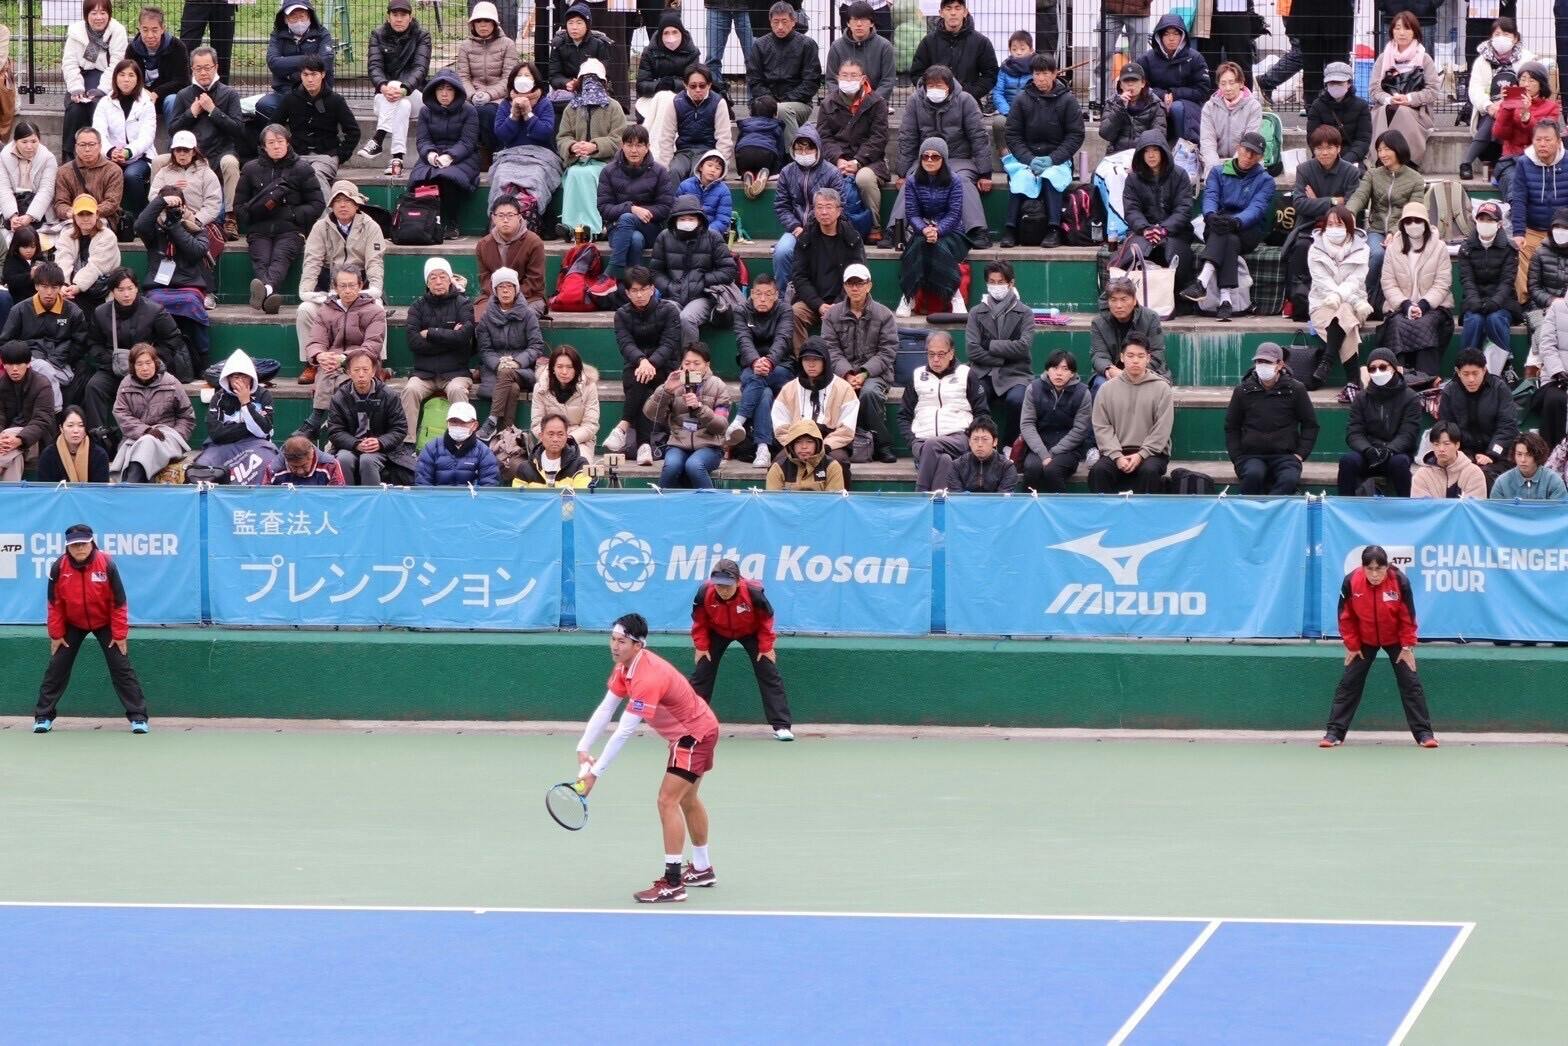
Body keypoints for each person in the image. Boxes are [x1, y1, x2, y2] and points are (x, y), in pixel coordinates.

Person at [574, 611, 723, 903]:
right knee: (687, 799)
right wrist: (583, 748)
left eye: (622, 642)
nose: (615, 646)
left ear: (638, 645)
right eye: (613, 639)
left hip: (694, 735)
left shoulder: (648, 677)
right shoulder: (624, 668)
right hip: (696, 731)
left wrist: (595, 774)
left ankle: (673, 883)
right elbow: (606, 709)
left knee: (667, 801)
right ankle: (702, 868)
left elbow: (624, 731)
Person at [34, 523, 149, 734]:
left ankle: (138, 718)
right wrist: (56, 634)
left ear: (92, 543)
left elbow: (119, 602)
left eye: (83, 544)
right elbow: (54, 603)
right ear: (67, 547)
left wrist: (119, 634)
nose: (79, 548)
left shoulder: (106, 564)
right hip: (72, 624)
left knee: (121, 668)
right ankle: (43, 717)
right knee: (56, 668)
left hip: (105, 623)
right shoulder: (58, 567)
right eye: (74, 545)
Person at [1321, 545, 1436, 748]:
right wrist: (1352, 645)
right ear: (1363, 567)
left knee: (1411, 683)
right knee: (1348, 684)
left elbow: (1408, 616)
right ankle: (1334, 733)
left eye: (1379, 569)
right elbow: (1345, 616)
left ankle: (1424, 734)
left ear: (1387, 566)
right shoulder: (1350, 581)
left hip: (1396, 640)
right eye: (1370, 569)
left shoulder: (1400, 581)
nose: (1374, 574)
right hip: (1364, 641)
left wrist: (1407, 646)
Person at [688, 558, 794, 739]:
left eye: (727, 586)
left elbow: (766, 620)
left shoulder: (753, 593)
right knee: (702, 672)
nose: (723, 590)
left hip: (750, 631)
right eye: (719, 585)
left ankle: (781, 726)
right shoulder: (705, 592)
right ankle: (690, 723)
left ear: (738, 582)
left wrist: (766, 646)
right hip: (717, 631)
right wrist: (701, 645)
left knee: (768, 671)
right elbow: (700, 620)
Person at [892, 65, 991, 248]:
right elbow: (907, 136)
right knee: (910, 182)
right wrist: (902, 172)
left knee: (962, 181)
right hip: (926, 159)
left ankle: (977, 230)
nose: (934, 89)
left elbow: (978, 136)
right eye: (931, 85)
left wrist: (985, 173)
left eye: (939, 85)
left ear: (949, 86)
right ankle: (894, 229)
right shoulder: (915, 101)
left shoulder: (966, 100)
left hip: (959, 158)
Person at [296, 181, 386, 375]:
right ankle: (311, 363)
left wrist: (374, 289)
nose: (343, 205)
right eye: (338, 201)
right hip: (330, 286)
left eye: (348, 200)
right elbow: (312, 261)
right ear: (331, 205)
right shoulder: (320, 227)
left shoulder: (371, 226)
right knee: (305, 310)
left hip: (360, 285)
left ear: (357, 204)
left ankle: (377, 364)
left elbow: (375, 262)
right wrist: (306, 291)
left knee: (378, 307)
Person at [1184, 130, 1273, 321]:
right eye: (1246, 150)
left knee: (1228, 235)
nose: (1248, 157)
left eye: (1255, 154)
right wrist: (1210, 215)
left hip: (1247, 229)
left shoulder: (1266, 180)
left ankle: (1202, 282)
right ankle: (1226, 300)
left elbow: (1257, 208)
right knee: (1228, 239)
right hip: (1218, 225)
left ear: (1260, 157)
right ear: (1238, 148)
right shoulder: (1217, 171)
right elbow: (1211, 196)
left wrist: (1236, 221)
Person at [86, 270, 190, 434]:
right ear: (112, 291)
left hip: (147, 369)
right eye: (120, 290)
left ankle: (156, 433)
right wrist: (110, 361)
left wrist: (152, 359)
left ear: (136, 288)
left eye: (130, 288)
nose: (126, 294)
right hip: (114, 368)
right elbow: (93, 343)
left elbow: (173, 338)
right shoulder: (101, 313)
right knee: (94, 386)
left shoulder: (155, 310)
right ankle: (99, 437)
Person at [235, 123, 323, 315]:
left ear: (288, 143)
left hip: (291, 229)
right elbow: (239, 206)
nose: (276, 146)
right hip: (259, 229)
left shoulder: (302, 169)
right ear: (263, 146)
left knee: (280, 257)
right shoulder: (250, 169)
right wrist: (255, 213)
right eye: (271, 142)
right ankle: (269, 295)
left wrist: (293, 214)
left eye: (280, 141)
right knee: (261, 259)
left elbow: (317, 204)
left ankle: (265, 291)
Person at [296, 263, 386, 440]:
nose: (348, 290)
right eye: (343, 286)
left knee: (342, 382)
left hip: (362, 360)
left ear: (360, 285)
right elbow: (315, 341)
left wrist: (345, 358)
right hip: (332, 361)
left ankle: (317, 420)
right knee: (327, 369)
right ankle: (324, 423)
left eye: (352, 285)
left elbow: (373, 345)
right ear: (335, 287)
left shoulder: (375, 310)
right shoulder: (325, 310)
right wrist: (319, 355)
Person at [1002, 53, 1083, 250]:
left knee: (1051, 176)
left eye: (1046, 73)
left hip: (1057, 159)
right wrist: (1028, 159)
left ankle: (1053, 229)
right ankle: (1010, 228)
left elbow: (1075, 135)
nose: (1041, 78)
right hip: (1026, 158)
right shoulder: (1021, 100)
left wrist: (1053, 159)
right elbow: (1012, 134)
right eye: (1037, 74)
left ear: (1055, 74)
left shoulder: (1068, 100)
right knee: (1021, 178)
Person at [604, 266, 681, 465]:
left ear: (652, 289)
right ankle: (644, 446)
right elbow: (626, 344)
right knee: (641, 381)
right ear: (627, 293)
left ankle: (624, 428)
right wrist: (642, 361)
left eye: (643, 289)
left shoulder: (669, 310)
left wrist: (651, 363)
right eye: (634, 291)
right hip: (635, 366)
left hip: (665, 367)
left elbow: (669, 344)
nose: (639, 295)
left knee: (642, 380)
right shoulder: (621, 315)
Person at [1285, 125, 1362, 322]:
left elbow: (1350, 206)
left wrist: (1316, 201)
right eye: (1319, 148)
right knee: (1301, 247)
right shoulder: (1304, 169)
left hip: (1340, 229)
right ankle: (1298, 301)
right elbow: (1300, 204)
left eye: (1329, 147)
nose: (1324, 153)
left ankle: (1344, 302)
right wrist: (1335, 201)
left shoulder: (1350, 172)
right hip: (1309, 226)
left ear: (1338, 148)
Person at [820, 262, 894, 464]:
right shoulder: (832, 315)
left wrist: (864, 373)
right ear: (844, 286)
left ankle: (882, 444)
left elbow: (888, 351)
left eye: (859, 283)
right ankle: (836, 443)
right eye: (850, 283)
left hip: (876, 374)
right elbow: (830, 349)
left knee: (869, 393)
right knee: (834, 391)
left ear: (869, 285)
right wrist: (847, 373)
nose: (855, 288)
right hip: (841, 373)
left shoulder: (884, 314)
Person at [1223, 342, 1319, 496]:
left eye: (1267, 362)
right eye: (1258, 361)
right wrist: (1237, 456)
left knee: (1288, 479)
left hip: (1286, 456)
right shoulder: (1242, 390)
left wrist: (1300, 454)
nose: (1262, 365)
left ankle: (1274, 509)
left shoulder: (1296, 389)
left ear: (1280, 364)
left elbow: (1310, 425)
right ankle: (1250, 509)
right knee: (1253, 475)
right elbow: (1232, 426)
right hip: (1250, 456)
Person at [899, 330, 989, 491]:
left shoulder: (966, 374)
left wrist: (971, 438)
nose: (935, 359)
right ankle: (939, 501)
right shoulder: (917, 375)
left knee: (932, 444)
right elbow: (903, 415)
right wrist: (912, 441)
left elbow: (982, 414)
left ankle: (920, 493)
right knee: (944, 459)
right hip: (922, 440)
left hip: (958, 438)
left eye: (941, 354)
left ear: (951, 353)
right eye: (931, 354)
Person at [167, 47, 243, 239]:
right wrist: (191, 113)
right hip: (190, 154)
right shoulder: (183, 95)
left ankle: (231, 217)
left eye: (207, 67)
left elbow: (238, 129)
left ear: (216, 67)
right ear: (192, 69)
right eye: (198, 68)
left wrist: (213, 110)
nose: (203, 72)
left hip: (221, 151)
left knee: (230, 163)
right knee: (159, 161)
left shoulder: (229, 94)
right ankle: (158, 213)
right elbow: (173, 130)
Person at [400, 257, 475, 449]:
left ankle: (463, 442)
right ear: (427, 282)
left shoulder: (463, 304)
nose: (438, 281)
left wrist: (431, 333)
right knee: (410, 390)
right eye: (433, 277)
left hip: (455, 373)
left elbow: (464, 337)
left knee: (457, 390)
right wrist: (451, 338)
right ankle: (407, 444)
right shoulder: (417, 307)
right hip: (424, 373)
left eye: (443, 276)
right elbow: (414, 342)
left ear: (450, 279)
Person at [1347, 130, 1425, 312]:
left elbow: (1413, 211)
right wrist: (1349, 212)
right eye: (1379, 150)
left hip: (1405, 230)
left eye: (1387, 149)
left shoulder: (1415, 179)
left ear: (1399, 149)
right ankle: (1365, 298)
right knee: (1377, 254)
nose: (1382, 154)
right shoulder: (1373, 175)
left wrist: (1394, 231)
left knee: (1396, 254)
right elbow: (1360, 196)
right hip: (1376, 229)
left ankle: (1392, 303)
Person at [814, 57, 888, 246]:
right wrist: (838, 158)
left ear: (863, 78)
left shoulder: (877, 102)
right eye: (844, 75)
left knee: (864, 179)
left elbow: (879, 137)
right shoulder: (828, 103)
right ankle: (825, 226)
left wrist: (858, 161)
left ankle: (875, 227)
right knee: (824, 175)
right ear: (837, 77)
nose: (848, 79)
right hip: (836, 159)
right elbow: (824, 137)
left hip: (870, 160)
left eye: (853, 76)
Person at [650, 194, 739, 351]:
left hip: (704, 295)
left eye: (691, 218)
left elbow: (729, 270)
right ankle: (668, 362)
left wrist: (704, 280)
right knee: (666, 316)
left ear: (699, 219)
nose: (687, 222)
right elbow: (655, 271)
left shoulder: (712, 237)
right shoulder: (664, 237)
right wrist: (669, 286)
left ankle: (690, 361)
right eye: (682, 219)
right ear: (675, 220)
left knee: (686, 318)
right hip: (673, 294)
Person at [771, 127, 854, 292]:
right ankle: (783, 296)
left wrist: (812, 229)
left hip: (824, 229)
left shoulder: (832, 172)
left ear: (817, 148)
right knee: (782, 252)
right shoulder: (787, 172)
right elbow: (781, 205)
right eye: (799, 149)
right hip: (795, 230)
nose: (803, 153)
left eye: (808, 148)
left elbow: (840, 205)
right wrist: (795, 227)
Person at [1, 261, 89, 414]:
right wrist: (26, 360)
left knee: (52, 370)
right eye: (44, 286)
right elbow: (6, 342)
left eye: (54, 287)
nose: (49, 292)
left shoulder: (74, 312)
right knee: (43, 367)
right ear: (36, 286)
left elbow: (80, 343)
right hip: (29, 363)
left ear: (60, 287)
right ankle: (55, 412)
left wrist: (59, 358)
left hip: (62, 364)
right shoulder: (19, 310)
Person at [896, 137, 970, 317]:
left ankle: (954, 295)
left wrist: (938, 230)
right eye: (925, 156)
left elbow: (954, 214)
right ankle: (909, 295)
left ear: (943, 159)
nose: (929, 160)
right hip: (922, 229)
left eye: (935, 157)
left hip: (952, 232)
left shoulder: (955, 180)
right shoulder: (912, 181)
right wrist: (924, 229)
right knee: (921, 244)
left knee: (936, 245)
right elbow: (912, 213)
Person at [1088, 335, 1171, 494]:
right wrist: (1117, 456)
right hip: (1116, 451)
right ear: (1122, 357)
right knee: (1098, 471)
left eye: (1140, 356)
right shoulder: (1107, 389)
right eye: (1130, 355)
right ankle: (1106, 511)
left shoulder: (1162, 388)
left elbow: (1162, 429)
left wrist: (1141, 455)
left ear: (1148, 358)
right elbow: (1102, 426)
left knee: (1149, 471)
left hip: (1152, 453)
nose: (1135, 361)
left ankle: (1144, 511)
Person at [1380, 200, 1453, 379]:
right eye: (1408, 221)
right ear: (1402, 225)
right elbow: (1388, 283)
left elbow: (1442, 282)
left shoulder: (1439, 247)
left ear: (1426, 223)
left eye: (1417, 220)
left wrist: (1423, 305)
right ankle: (1397, 380)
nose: (1413, 225)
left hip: (1434, 307)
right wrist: (1405, 305)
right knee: (1397, 325)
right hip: (1400, 307)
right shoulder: (1392, 249)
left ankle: (1426, 381)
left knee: (1425, 325)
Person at [965, 261, 1034, 447]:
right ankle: (982, 444)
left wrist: (990, 345)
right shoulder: (976, 312)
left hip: (1016, 373)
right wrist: (1003, 358)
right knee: (977, 395)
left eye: (1000, 282)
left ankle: (1010, 446)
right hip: (983, 372)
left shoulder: (1025, 313)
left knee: (1017, 400)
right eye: (992, 282)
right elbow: (972, 349)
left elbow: (1023, 347)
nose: (996, 286)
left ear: (1011, 283)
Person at [555, 59, 626, 240]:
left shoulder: (613, 107)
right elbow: (562, 137)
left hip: (606, 163)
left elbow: (619, 139)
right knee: (573, 174)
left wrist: (595, 146)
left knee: (587, 175)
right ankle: (571, 226)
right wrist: (572, 146)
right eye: (586, 78)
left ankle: (593, 227)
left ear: (603, 82)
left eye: (595, 79)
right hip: (577, 162)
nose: (591, 83)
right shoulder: (571, 108)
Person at [644, 343, 731, 489]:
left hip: (709, 445)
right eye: (687, 363)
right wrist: (665, 391)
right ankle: (661, 501)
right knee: (671, 467)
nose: (691, 368)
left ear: (707, 365)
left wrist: (699, 408)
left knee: (694, 465)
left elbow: (721, 426)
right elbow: (651, 414)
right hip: (678, 443)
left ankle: (711, 502)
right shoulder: (675, 384)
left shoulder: (718, 386)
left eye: (697, 363)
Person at [1337, 348, 1422, 497]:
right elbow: (1354, 432)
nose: (1377, 372)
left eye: (1383, 367)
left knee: (1400, 463)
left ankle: (1408, 506)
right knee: (1348, 461)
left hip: (1395, 454)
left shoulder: (1410, 398)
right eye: (1372, 369)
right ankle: (1344, 506)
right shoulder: (1361, 398)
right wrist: (1367, 449)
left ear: (1394, 368)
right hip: (1368, 454)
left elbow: (1408, 433)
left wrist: (1390, 450)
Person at [789, 188, 866, 351]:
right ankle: (804, 360)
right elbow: (799, 277)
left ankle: (846, 361)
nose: (824, 212)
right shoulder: (805, 238)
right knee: (794, 312)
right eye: (819, 207)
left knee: (859, 311)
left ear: (839, 211)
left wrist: (837, 305)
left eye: (829, 207)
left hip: (845, 301)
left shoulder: (852, 238)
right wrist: (819, 305)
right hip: (813, 302)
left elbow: (857, 277)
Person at [474, 266, 546, 441]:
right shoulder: (486, 317)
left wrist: (517, 362)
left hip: (522, 369)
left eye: (509, 286)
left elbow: (536, 346)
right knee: (512, 388)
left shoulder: (528, 315)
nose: (505, 291)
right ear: (495, 291)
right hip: (494, 369)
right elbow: (484, 350)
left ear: (516, 289)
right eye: (501, 287)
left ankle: (491, 421)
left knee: (507, 373)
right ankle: (506, 437)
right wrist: (498, 363)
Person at [361, 0, 432, 178]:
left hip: (414, 95)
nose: (399, 19)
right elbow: (374, 67)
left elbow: (420, 69)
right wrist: (383, 86)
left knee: (400, 93)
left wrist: (404, 88)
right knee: (402, 104)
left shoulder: (422, 36)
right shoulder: (377, 35)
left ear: (410, 17)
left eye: (403, 15)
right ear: (388, 17)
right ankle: (397, 159)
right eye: (395, 15)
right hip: (384, 97)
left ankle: (378, 138)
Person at [1307, 205, 1373, 392]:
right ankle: (1353, 380)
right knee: (1346, 321)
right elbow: (1322, 282)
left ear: (1349, 226)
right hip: (1322, 303)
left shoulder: (1363, 249)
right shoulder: (1315, 249)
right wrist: (1347, 299)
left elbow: (1356, 280)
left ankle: (1326, 363)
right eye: (1330, 224)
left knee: (1344, 310)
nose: (1334, 228)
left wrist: (1346, 299)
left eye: (1339, 224)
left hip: (1356, 305)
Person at [726, 275, 790, 464]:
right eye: (759, 294)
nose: (763, 299)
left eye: (768, 294)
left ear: (776, 295)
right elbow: (743, 340)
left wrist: (769, 362)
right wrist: (755, 361)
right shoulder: (741, 311)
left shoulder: (785, 310)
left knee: (756, 379)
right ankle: (763, 448)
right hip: (751, 366)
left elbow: (783, 339)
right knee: (764, 393)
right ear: (752, 294)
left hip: (781, 367)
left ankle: (739, 421)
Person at [1460, 16, 1533, 182]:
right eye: (1497, 34)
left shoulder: (1527, 59)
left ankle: (1466, 162)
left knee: (1501, 114)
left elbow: (1530, 86)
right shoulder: (1481, 61)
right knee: (1493, 117)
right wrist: (1488, 106)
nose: (1501, 38)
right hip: (1489, 110)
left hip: (1519, 107)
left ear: (1516, 38)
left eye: (1506, 34)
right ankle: (1468, 163)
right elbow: (1475, 89)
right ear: (1491, 37)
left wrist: (1506, 103)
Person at [598, 124, 675, 281]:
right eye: (629, 145)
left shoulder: (660, 171)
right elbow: (604, 208)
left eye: (639, 145)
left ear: (647, 147)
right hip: (617, 229)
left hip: (651, 228)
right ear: (622, 145)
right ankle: (636, 285)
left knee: (628, 218)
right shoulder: (608, 171)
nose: (634, 150)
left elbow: (666, 207)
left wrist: (641, 212)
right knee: (635, 239)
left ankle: (612, 273)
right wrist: (631, 208)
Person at [326, 348, 413, 485]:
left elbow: (399, 428)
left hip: (382, 449)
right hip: (350, 446)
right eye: (356, 370)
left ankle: (371, 497)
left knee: (367, 460)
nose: (361, 375)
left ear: (373, 371)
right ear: (348, 372)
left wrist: (380, 442)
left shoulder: (389, 395)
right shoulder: (339, 397)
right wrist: (356, 444)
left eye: (365, 370)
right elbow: (335, 431)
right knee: (343, 459)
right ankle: (346, 495)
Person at [109, 341, 194, 483]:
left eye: (148, 363)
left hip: (166, 437)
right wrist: (145, 430)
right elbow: (121, 414)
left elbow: (187, 416)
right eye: (139, 364)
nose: (145, 368)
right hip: (135, 437)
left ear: (156, 363)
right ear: (133, 366)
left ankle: (130, 486)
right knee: (144, 443)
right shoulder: (125, 385)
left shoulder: (171, 382)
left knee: (147, 443)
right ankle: (133, 486)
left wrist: (177, 435)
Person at [770, 339, 857, 475]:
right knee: (778, 465)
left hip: (831, 444)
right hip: (796, 441)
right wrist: (797, 446)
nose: (811, 364)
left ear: (825, 361)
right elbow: (781, 427)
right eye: (806, 360)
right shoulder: (789, 389)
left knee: (838, 463)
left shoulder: (844, 389)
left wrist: (823, 447)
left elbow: (846, 429)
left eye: (816, 359)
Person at [1437, 348, 1519, 492]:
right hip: (1463, 455)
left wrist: (1491, 454)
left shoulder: (1499, 388)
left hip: (1498, 455)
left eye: (1475, 373)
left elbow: (1507, 426)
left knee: (1482, 476)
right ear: (1458, 372)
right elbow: (1447, 429)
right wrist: (1462, 456)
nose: (1471, 379)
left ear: (1484, 370)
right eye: (1466, 374)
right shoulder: (1450, 392)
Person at [277, 55, 358, 203]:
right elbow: (273, 127)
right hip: (297, 155)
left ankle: (327, 215)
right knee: (290, 177)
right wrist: (284, 149)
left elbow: (353, 131)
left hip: (327, 156)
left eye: (314, 74)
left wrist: (339, 155)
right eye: (305, 75)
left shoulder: (336, 100)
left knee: (315, 174)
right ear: (301, 76)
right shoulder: (290, 99)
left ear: (323, 74)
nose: (310, 79)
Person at [1120, 129, 1194, 290]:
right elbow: (1131, 210)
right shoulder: (1133, 179)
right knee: (1136, 252)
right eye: (1146, 151)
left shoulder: (1180, 175)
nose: (1151, 155)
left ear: (1163, 152)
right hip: (1142, 232)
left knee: (1173, 253)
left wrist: (1164, 229)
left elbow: (1184, 208)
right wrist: (1145, 229)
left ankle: (1178, 295)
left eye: (1155, 150)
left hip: (1176, 233)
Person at [489, 60, 563, 216]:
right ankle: (499, 217)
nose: (523, 79)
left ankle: (530, 215)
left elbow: (544, 133)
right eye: (519, 75)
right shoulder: (505, 104)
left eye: (527, 75)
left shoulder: (544, 104)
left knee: (535, 177)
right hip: (511, 155)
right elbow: (502, 134)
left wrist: (528, 114)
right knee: (502, 177)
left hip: (540, 156)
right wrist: (514, 115)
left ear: (535, 80)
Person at [409, 69, 481, 229]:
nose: (444, 93)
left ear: (456, 91)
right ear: (433, 91)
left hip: (464, 156)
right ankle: (427, 224)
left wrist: (450, 157)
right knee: (422, 178)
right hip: (432, 155)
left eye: (449, 89)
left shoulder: (469, 110)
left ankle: (452, 224)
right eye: (440, 89)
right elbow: (423, 140)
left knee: (448, 177)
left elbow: (468, 142)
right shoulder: (425, 111)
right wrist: (430, 154)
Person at [194, 349, 279, 483]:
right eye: (235, 377)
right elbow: (216, 434)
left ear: (251, 377)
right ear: (228, 378)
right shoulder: (218, 397)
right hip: (222, 445)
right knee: (203, 466)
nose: (240, 380)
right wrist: (248, 428)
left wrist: (246, 403)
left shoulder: (264, 395)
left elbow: (263, 432)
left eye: (244, 376)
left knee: (265, 460)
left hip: (256, 445)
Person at [1367, 12, 1438, 170]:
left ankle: (1407, 162)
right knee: (1386, 109)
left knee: (1401, 111)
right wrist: (1388, 99)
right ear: (1392, 31)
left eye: (1407, 28)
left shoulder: (1424, 58)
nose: (1402, 32)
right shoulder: (1383, 58)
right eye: (1397, 28)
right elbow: (1374, 89)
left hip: (1417, 111)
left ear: (1415, 32)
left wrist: (1409, 99)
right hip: (1386, 107)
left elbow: (1432, 90)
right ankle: (1380, 161)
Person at [746, 2, 820, 147]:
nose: (780, 26)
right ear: (770, 22)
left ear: (793, 21)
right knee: (762, 111)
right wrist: (770, 101)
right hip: (766, 102)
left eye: (784, 22)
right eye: (776, 22)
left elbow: (811, 82)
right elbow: (754, 80)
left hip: (799, 103)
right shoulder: (760, 45)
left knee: (782, 110)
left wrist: (783, 101)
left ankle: (793, 153)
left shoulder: (807, 44)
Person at [1511, 119, 1568, 304]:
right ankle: (1528, 304)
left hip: (1564, 230)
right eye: (1538, 140)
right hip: (1533, 229)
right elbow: (1519, 199)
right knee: (1517, 252)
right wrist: (1518, 233)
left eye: (1548, 140)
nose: (1542, 144)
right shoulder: (1523, 163)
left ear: (1558, 141)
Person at [62, 0, 129, 157]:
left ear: (109, 14)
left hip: (106, 79)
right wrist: (76, 88)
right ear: (86, 15)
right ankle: (70, 155)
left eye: (103, 13)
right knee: (75, 108)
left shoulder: (117, 31)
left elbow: (117, 65)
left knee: (97, 105)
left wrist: (102, 90)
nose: (99, 17)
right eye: (94, 13)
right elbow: (69, 63)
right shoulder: (76, 32)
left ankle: (102, 154)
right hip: (80, 77)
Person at [91, 59, 157, 220]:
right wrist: (110, 151)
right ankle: (108, 218)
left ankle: (139, 218)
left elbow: (147, 135)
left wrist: (128, 152)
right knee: (108, 173)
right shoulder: (105, 103)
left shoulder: (146, 104)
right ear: (115, 78)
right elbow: (98, 132)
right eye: (122, 75)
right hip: (111, 155)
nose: (126, 79)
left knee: (131, 176)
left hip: (140, 157)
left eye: (131, 75)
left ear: (138, 79)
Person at [1019, 349, 1091, 493]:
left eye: (1065, 369)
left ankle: (1061, 506)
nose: (1059, 373)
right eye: (1055, 368)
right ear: (1047, 370)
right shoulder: (1033, 389)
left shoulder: (1083, 393)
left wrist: (1053, 452)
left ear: (1072, 373)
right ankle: (1028, 506)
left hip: (1069, 450)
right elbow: (1027, 424)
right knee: (1032, 469)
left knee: (1052, 470)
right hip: (1039, 446)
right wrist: (1043, 454)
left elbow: (1080, 430)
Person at [1459, 201, 1522, 359]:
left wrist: (1495, 302)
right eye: (1481, 219)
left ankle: (1503, 365)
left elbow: (1507, 281)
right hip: (1474, 300)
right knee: (1474, 320)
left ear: (1499, 224)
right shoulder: (1466, 248)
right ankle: (1465, 365)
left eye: (1490, 220)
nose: (1485, 223)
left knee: (1495, 319)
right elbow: (1467, 279)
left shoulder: (1509, 248)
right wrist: (1474, 300)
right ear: (1476, 221)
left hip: (1503, 302)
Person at [649, 65, 732, 184]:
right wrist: (664, 167)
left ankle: (696, 197)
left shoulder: (719, 103)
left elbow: (724, 139)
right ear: (685, 85)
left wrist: (721, 165)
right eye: (693, 86)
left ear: (709, 85)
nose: (698, 90)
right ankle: (672, 197)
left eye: (702, 86)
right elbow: (666, 137)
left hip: (708, 152)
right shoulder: (676, 102)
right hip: (683, 152)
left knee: (698, 173)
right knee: (674, 171)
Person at [909, 0, 997, 110]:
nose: (953, 13)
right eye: (948, 8)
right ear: (941, 13)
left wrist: (969, 94)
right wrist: (933, 91)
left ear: (965, 12)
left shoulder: (981, 42)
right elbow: (917, 73)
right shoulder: (928, 41)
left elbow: (990, 74)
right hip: (933, 106)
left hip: (968, 105)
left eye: (957, 8)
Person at [1256, 8, 1354, 106]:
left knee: (1308, 54)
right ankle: (1267, 81)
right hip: (1301, 12)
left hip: (1307, 12)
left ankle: (1268, 81)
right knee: (1303, 53)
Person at [256, 0, 334, 124]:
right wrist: (311, 60)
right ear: (285, 19)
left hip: (316, 93)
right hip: (285, 91)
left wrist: (293, 74)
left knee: (325, 107)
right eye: (293, 17)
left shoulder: (322, 33)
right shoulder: (277, 35)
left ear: (309, 16)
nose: (299, 21)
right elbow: (274, 63)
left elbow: (326, 61)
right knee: (264, 105)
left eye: (302, 16)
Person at [1138, 13, 1210, 145]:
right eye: (1166, 34)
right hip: (1155, 101)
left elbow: (1203, 90)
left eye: (1176, 34)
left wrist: (1174, 94)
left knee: (1177, 108)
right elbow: (1139, 87)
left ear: (1183, 36)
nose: (1171, 38)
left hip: (1187, 104)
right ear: (1159, 36)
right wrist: (1162, 95)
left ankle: (1185, 147)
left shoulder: (1195, 58)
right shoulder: (1146, 59)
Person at [1490, 61, 1558, 199]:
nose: (1526, 84)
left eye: (1531, 80)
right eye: (1523, 79)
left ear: (1541, 84)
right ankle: (1515, 211)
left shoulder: (1552, 107)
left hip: (1540, 160)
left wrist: (1527, 115)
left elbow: (1544, 136)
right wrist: (1507, 108)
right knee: (1515, 184)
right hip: (1511, 160)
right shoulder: (1509, 104)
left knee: (1540, 187)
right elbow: (1500, 134)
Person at [1090, 276, 1168, 392]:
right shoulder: (1098, 323)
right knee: (1100, 385)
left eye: (1124, 299)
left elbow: (1156, 353)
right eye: (1113, 300)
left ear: (1134, 300)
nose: (1118, 305)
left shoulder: (1151, 318)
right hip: (1112, 372)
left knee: (1153, 387)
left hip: (1145, 370)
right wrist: (1109, 369)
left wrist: (1130, 373)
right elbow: (1099, 355)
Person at [474, 194, 545, 319]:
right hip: (494, 296)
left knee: (522, 316)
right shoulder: (483, 245)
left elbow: (535, 280)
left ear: (519, 217)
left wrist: (511, 297)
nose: (505, 220)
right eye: (501, 215)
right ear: (493, 218)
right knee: (481, 316)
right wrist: (499, 297)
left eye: (510, 215)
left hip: (529, 297)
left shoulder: (534, 242)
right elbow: (485, 278)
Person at [52, 195, 119, 320]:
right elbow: (63, 260)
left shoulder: (108, 236)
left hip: (100, 291)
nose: (85, 218)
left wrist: (77, 286)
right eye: (81, 214)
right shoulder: (67, 235)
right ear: (74, 217)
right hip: (73, 289)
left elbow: (95, 267)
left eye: (89, 214)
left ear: (97, 215)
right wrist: (63, 284)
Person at [531, 345, 599, 458]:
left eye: (570, 367)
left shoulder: (589, 387)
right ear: (552, 368)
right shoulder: (540, 388)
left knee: (580, 461)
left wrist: (569, 438)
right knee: (544, 462)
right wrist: (553, 438)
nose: (564, 372)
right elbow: (537, 423)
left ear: (577, 368)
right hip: (549, 440)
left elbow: (590, 425)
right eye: (559, 366)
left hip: (579, 440)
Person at [0, 339, 55, 479]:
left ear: (28, 363)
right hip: (7, 443)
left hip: (36, 440)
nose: (14, 369)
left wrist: (20, 439)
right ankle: (11, 492)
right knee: (14, 457)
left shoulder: (42, 384)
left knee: (8, 441)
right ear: (3, 365)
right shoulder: (1, 385)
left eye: (19, 364)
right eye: (9, 364)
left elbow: (42, 420)